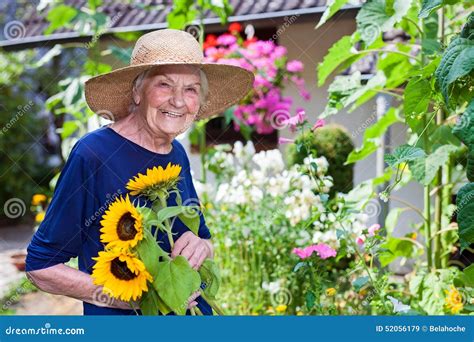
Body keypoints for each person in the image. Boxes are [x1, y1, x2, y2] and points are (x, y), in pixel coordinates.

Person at [25, 29, 254, 315]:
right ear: (137, 91)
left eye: (191, 89)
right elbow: (41, 266)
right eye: (164, 85)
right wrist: (125, 298)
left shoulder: (176, 153)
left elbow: (204, 238)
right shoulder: (94, 154)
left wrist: (202, 247)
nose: (178, 101)